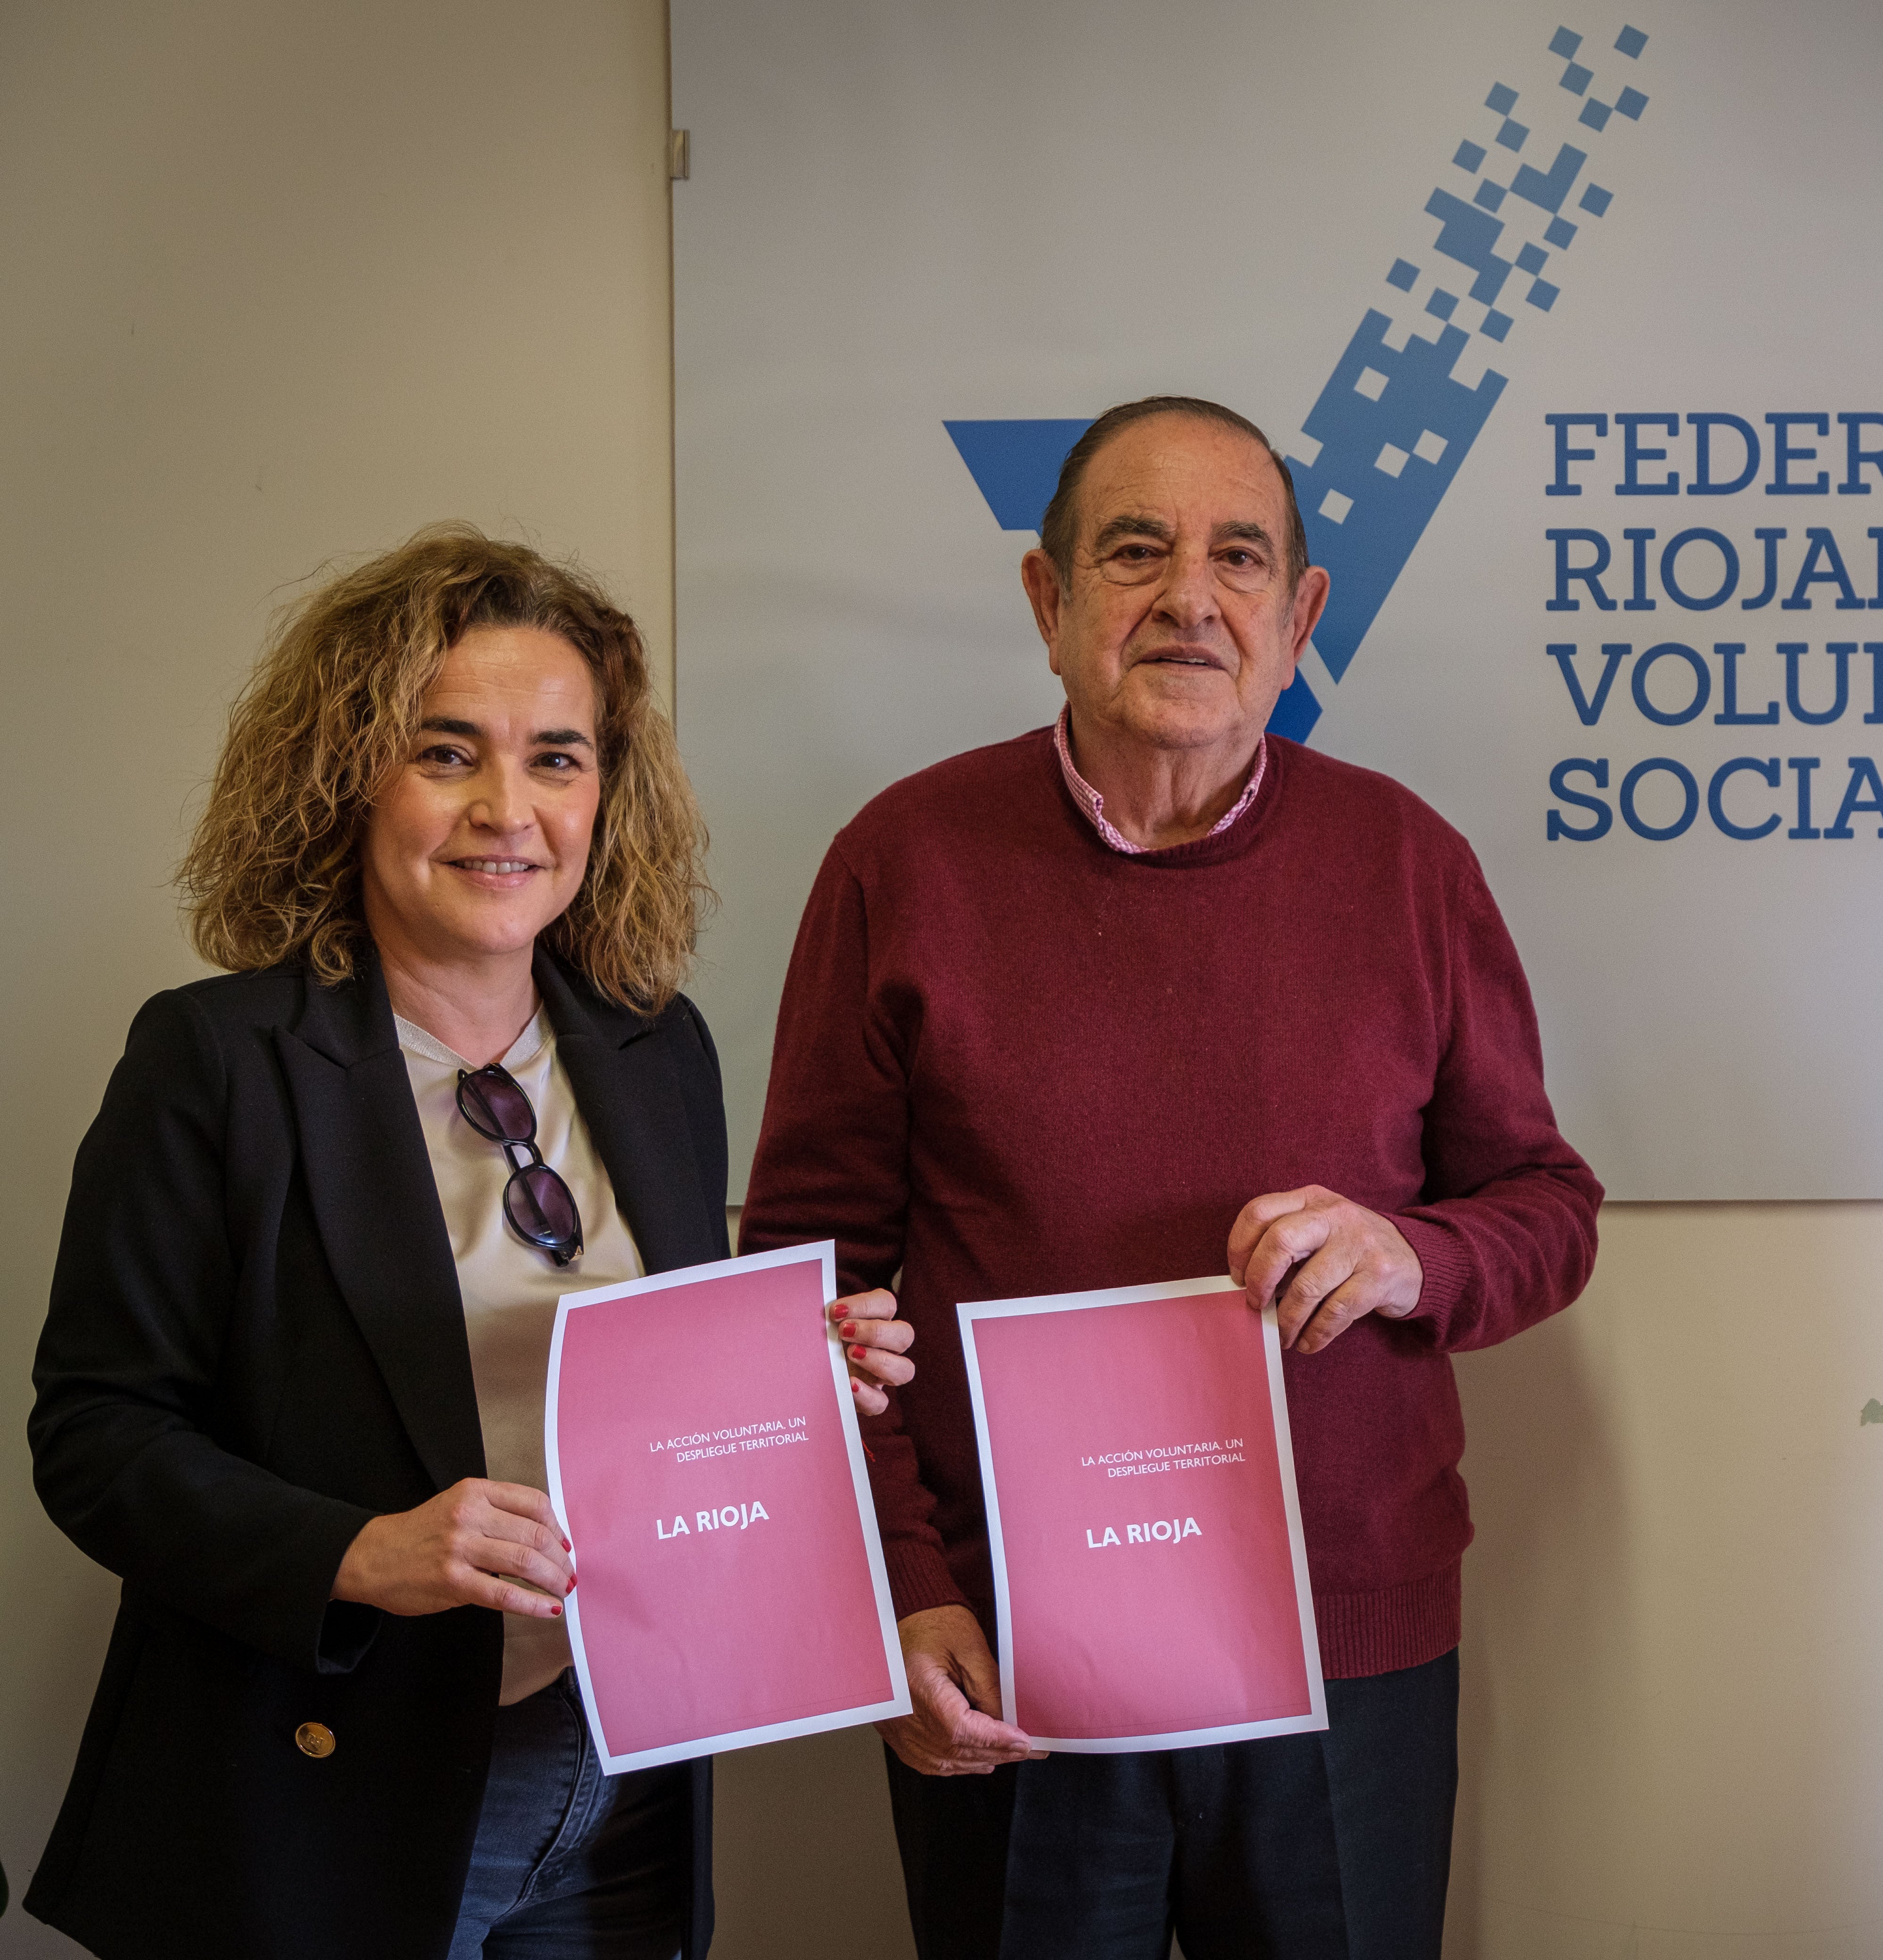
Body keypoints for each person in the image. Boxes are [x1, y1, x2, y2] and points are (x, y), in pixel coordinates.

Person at [739, 395, 1604, 1958]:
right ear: (1048, 601)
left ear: (1299, 617)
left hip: (1348, 1654)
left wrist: (1416, 1260)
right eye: (1135, 551)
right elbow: (810, 1284)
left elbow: (1546, 1209)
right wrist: (905, 1589)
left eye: (1240, 558)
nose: (1190, 598)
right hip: (1013, 1651)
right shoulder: (903, 864)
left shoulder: (1410, 866)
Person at [25, 528, 900, 1959]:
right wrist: (359, 1551)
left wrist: (804, 1380)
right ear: (349, 776)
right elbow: (98, 1436)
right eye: (447, 752)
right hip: (329, 1795)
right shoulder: (219, 1061)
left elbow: (657, 1407)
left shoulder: (655, 1047)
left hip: (622, 1771)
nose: (510, 808)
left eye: (558, 757)